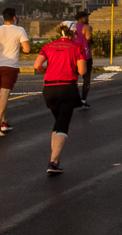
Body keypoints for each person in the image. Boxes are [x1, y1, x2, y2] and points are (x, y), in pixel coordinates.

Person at [33, 24, 86, 175]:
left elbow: (37, 65)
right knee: (63, 123)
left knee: (57, 122)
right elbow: (82, 70)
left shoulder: (48, 46)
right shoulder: (77, 47)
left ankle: (55, 158)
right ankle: (53, 161)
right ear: (73, 32)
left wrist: (48, 70)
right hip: (67, 87)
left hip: (49, 88)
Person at [0, 8, 29, 138]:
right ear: (15, 18)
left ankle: (3, 122)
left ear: (3, 18)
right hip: (10, 66)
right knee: (4, 94)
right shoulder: (20, 30)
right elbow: (27, 49)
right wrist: (17, 46)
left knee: (3, 92)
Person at [71, 10, 94, 108]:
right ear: (83, 18)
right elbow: (88, 37)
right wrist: (92, 41)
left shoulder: (72, 27)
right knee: (86, 79)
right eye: (87, 17)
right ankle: (83, 100)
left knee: (73, 78)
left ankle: (73, 99)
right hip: (85, 55)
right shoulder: (87, 27)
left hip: (73, 55)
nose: (88, 19)